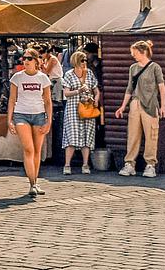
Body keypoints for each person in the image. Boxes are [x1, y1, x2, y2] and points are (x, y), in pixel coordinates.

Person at [116, 39, 165, 178]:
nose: (133, 55)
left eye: (135, 53)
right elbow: (129, 88)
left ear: (143, 52)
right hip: (135, 103)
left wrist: (163, 106)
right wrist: (123, 106)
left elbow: (162, 87)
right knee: (133, 135)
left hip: (150, 105)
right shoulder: (133, 68)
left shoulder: (155, 67)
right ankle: (129, 163)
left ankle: (150, 164)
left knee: (151, 135)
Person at [8, 47, 55, 198]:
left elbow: (48, 101)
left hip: (39, 115)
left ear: (36, 61)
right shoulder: (17, 77)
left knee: (37, 150)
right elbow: (12, 99)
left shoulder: (43, 78)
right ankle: (32, 184)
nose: (26, 61)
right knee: (28, 149)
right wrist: (9, 120)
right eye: (24, 58)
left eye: (29, 58)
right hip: (21, 114)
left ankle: (34, 181)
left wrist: (48, 120)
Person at [58, 49, 101, 175]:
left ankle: (85, 164)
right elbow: (66, 93)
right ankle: (67, 165)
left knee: (87, 136)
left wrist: (96, 100)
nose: (84, 62)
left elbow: (96, 90)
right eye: (82, 60)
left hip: (87, 107)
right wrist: (78, 91)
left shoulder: (90, 74)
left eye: (85, 60)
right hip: (73, 108)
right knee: (72, 136)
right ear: (76, 61)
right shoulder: (69, 75)